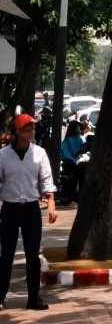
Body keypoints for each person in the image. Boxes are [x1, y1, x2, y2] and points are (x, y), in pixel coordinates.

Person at [0, 113, 56, 311]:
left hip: (31, 209)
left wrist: (51, 205)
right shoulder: (3, 155)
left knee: (33, 256)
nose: (31, 131)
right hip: (10, 209)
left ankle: (34, 298)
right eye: (27, 128)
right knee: (6, 254)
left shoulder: (39, 153)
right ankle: (1, 296)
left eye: (32, 127)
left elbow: (46, 180)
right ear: (17, 132)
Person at [60, 120, 89, 204]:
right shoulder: (73, 139)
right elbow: (76, 151)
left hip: (70, 163)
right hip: (71, 163)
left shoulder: (71, 138)